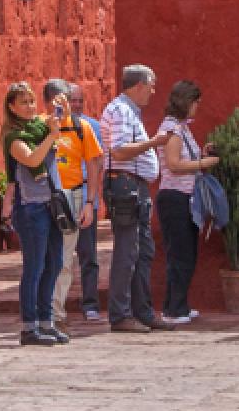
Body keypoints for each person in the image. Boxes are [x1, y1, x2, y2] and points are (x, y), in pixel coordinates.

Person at [101, 64, 172, 334]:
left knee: (142, 252)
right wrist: (154, 143)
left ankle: (141, 311)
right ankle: (120, 314)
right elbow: (118, 152)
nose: (153, 92)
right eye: (151, 86)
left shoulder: (130, 111)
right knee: (127, 251)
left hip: (134, 187)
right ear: (139, 85)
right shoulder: (120, 111)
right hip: (125, 186)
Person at [1, 81, 68, 347]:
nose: (29, 107)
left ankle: (45, 321)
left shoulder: (39, 127)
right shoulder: (14, 137)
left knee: (54, 263)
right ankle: (29, 327)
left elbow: (54, 120)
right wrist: (52, 135)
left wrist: (59, 109)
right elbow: (32, 159)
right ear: (11, 107)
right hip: (30, 207)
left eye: (31, 101)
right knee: (35, 266)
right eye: (23, 103)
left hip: (50, 203)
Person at [154, 79, 217, 324]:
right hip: (175, 197)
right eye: (195, 102)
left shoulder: (182, 127)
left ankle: (178, 304)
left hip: (186, 197)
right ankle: (174, 309)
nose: (197, 107)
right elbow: (173, 164)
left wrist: (201, 154)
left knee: (186, 253)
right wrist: (202, 164)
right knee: (180, 254)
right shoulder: (172, 129)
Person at [44, 79, 103, 332]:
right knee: (42, 257)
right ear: (46, 102)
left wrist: (90, 202)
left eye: (65, 100)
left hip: (73, 197)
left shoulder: (82, 128)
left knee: (66, 258)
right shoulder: (39, 126)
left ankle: (56, 312)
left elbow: (94, 164)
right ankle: (40, 310)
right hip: (43, 196)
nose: (62, 105)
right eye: (56, 100)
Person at [66, 84, 107, 322]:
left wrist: (90, 200)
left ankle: (90, 303)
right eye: (73, 100)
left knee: (88, 253)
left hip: (83, 194)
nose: (77, 105)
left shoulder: (92, 127)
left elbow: (98, 161)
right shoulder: (52, 127)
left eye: (80, 100)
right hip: (61, 195)